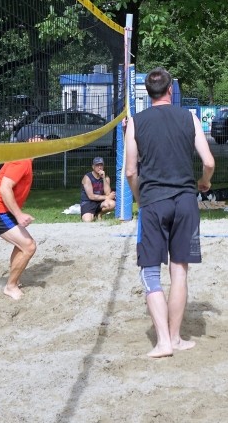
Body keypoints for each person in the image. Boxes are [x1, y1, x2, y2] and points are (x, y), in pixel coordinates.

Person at [124, 66, 215, 359]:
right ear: (170, 90)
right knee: (179, 272)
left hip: (153, 201)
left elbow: (130, 171)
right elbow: (209, 162)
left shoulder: (135, 123)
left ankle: (163, 342)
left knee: (150, 271)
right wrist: (205, 182)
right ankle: (175, 338)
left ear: (148, 92)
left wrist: (140, 198)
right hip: (186, 200)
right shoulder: (189, 117)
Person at [0, 141, 41, 299]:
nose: (42, 141)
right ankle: (10, 286)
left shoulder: (25, 160)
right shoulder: (22, 160)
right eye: (38, 138)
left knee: (22, 246)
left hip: (3, 210)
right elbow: (4, 188)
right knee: (29, 246)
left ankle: (14, 281)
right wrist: (19, 215)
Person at [79, 156, 117, 222]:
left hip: (100, 202)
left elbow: (107, 193)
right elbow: (91, 196)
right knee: (88, 220)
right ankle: (91, 215)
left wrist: (103, 178)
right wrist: (107, 197)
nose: (99, 167)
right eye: (97, 165)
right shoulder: (87, 177)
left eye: (101, 165)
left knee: (113, 204)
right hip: (88, 202)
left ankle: (99, 214)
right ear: (93, 167)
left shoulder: (106, 178)